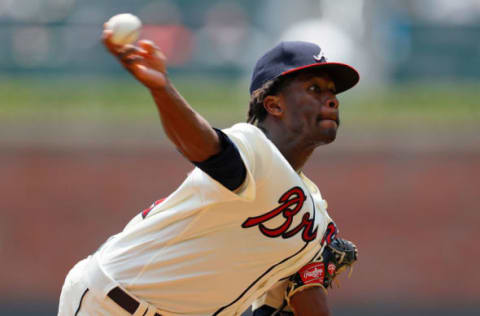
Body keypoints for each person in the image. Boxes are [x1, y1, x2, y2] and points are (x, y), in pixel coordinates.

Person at [58, 29, 359, 316]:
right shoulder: (254, 148)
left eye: (332, 92)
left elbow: (301, 298)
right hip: (112, 304)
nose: (331, 99)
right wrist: (162, 89)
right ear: (274, 105)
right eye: (314, 89)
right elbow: (208, 149)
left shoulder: (316, 215)